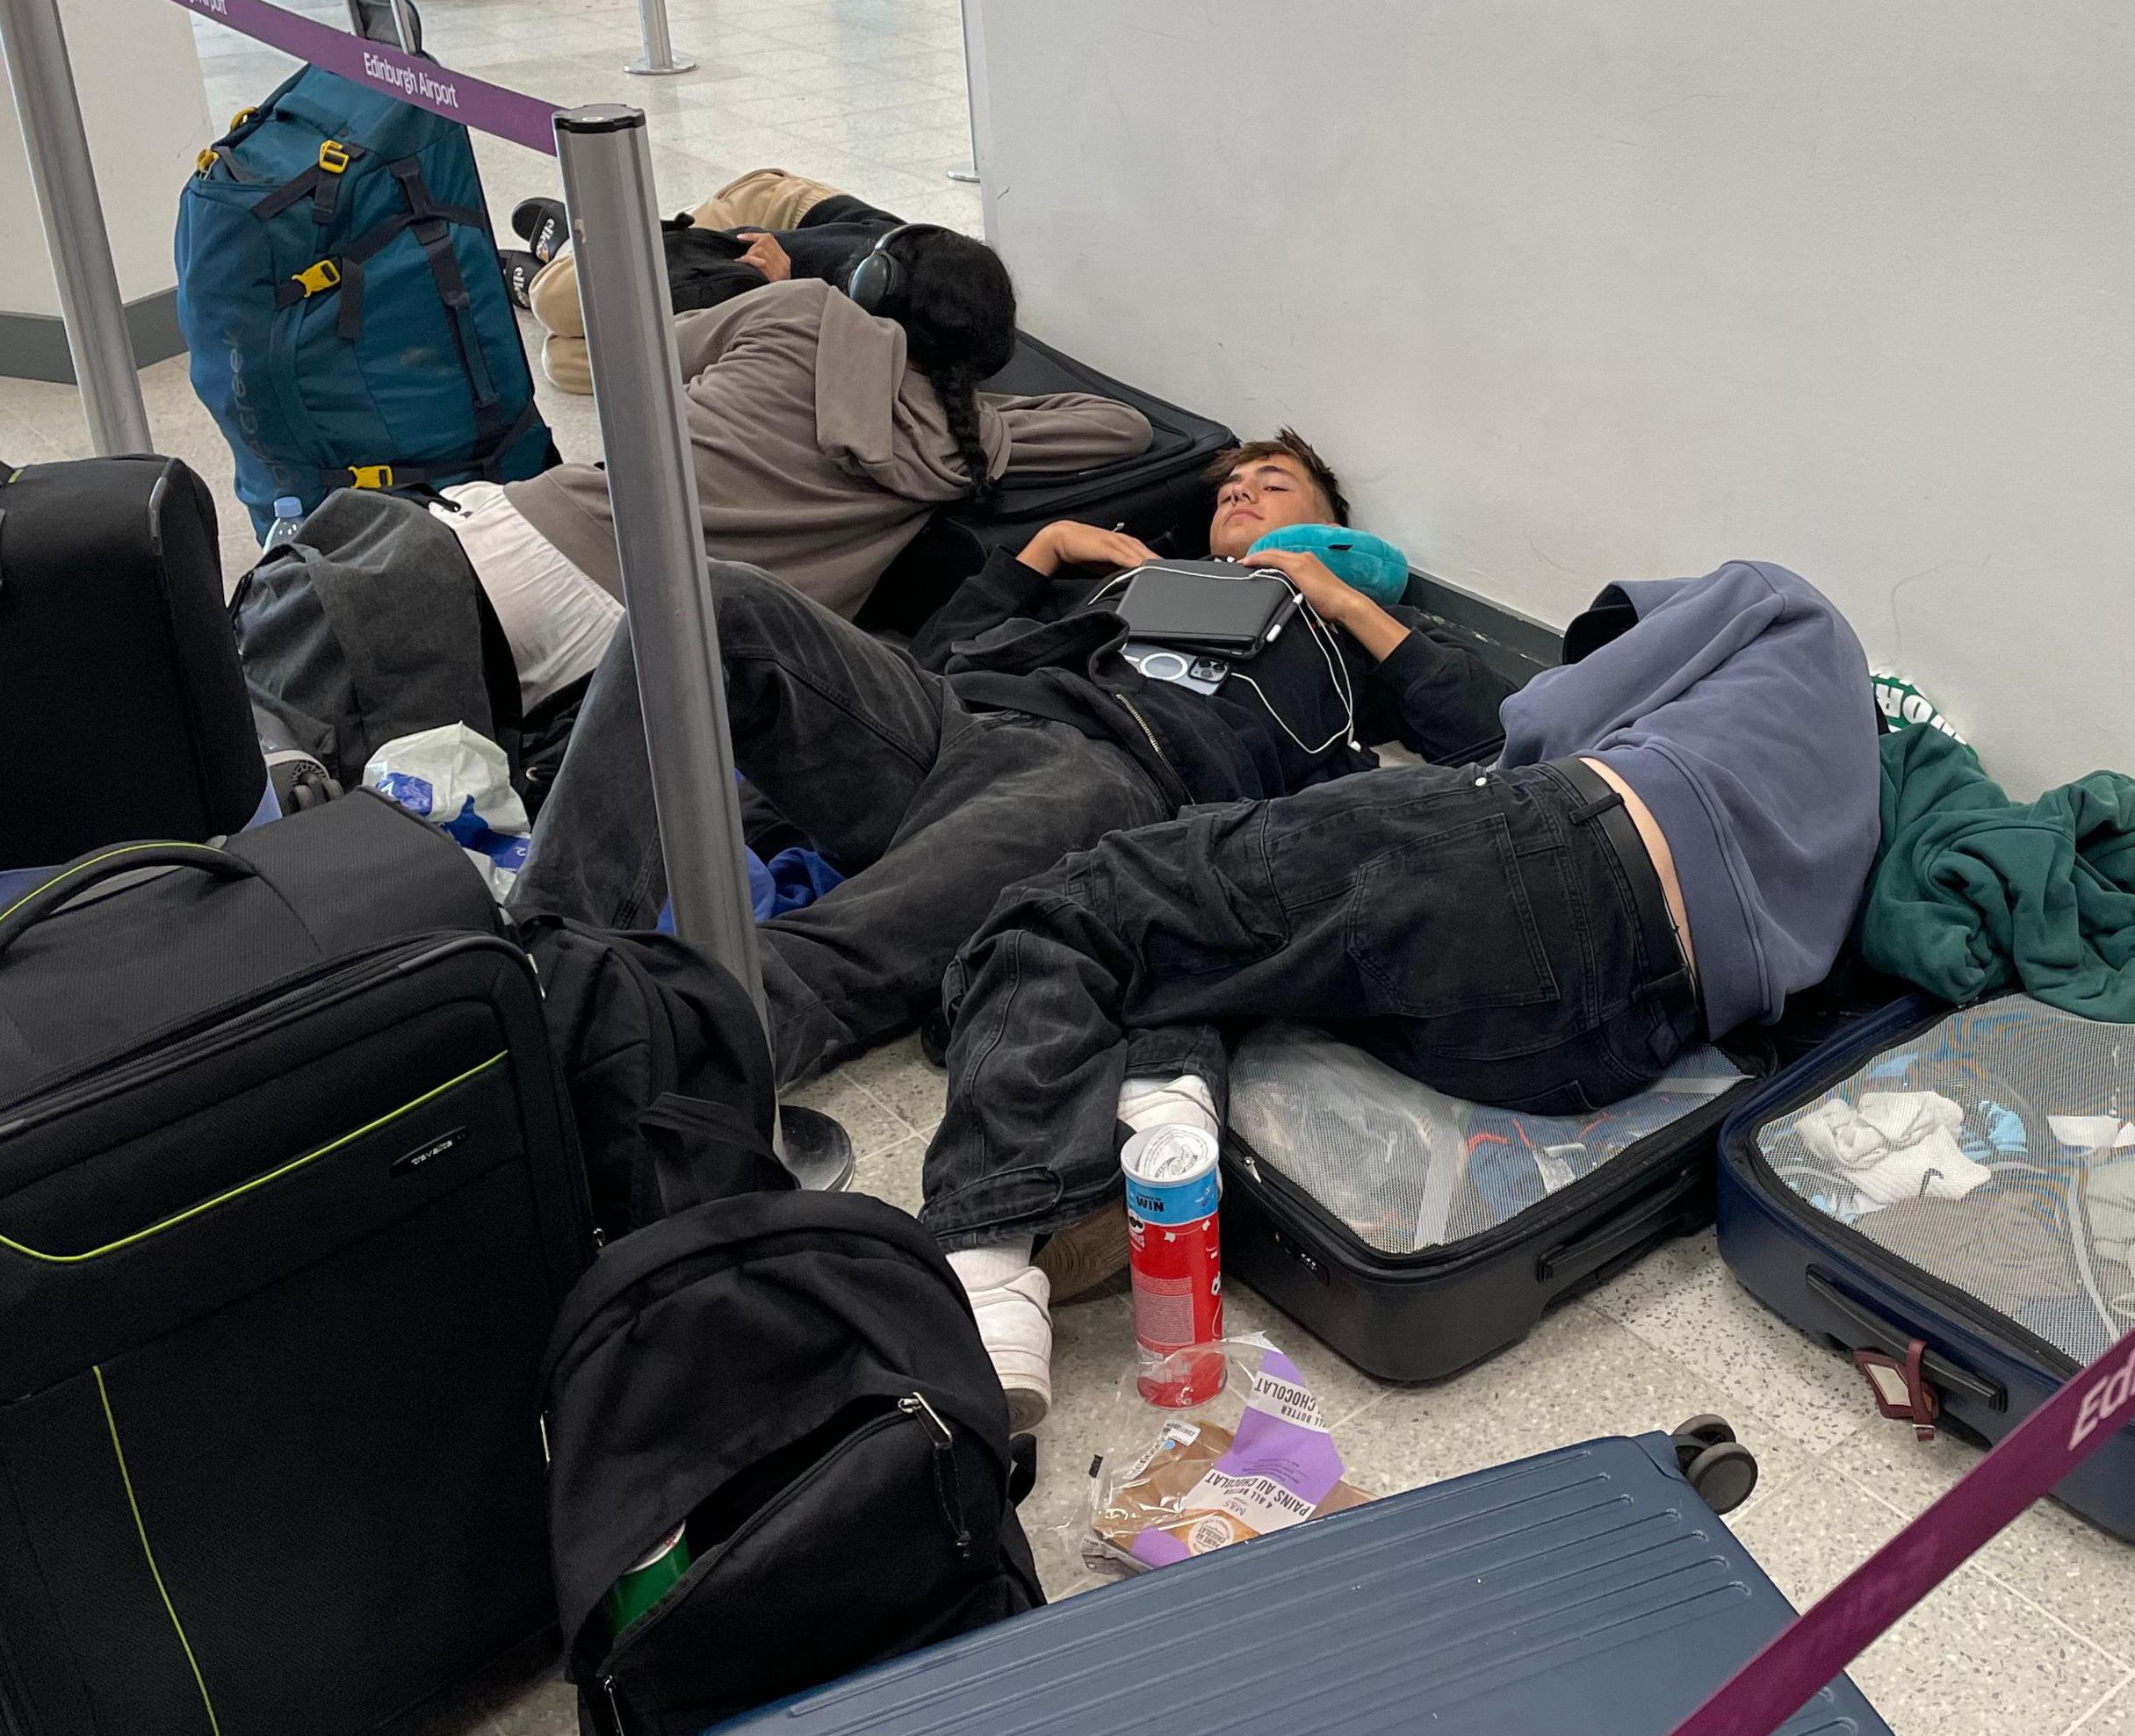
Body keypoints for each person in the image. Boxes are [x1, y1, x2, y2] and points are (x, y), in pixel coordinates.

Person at [914, 561, 1884, 1424]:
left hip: (1551, 859)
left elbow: (1544, 718)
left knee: (1074, 904)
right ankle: (1164, 1108)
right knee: (1232, 947)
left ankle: (987, 1267)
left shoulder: (1781, 602)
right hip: (1586, 1052)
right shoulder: (1844, 799)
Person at [507, 432, 1513, 1095]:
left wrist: (1336, 601)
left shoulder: (1343, 633)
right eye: (1231, 487)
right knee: (714, 601)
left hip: (1114, 771)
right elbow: (942, 651)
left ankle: (638, 1057)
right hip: (956, 728)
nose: (1242, 491)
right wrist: (1043, 552)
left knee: (840, 950)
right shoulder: (1132, 580)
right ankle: (540, 951)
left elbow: (1487, 730)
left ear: (1330, 524)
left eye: (1273, 485)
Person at [446, 217, 1152, 710]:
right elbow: (1122, 427)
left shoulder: (803, 309)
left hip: (536, 532)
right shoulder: (965, 449)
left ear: (871, 285)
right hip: (635, 644)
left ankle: (547, 262)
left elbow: (633, 357)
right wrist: (968, 402)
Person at [505, 168, 906, 396]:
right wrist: (784, 295)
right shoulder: (932, 298)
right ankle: (565, 250)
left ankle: (567, 249)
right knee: (554, 300)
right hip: (781, 224)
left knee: (563, 360)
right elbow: (758, 250)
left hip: (775, 297)